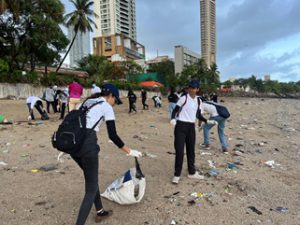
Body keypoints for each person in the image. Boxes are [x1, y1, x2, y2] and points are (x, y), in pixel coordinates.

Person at [69, 83, 142, 225]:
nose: (115, 104)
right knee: (90, 189)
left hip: (73, 145)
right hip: (87, 147)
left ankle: (100, 211)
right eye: (115, 100)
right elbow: (113, 135)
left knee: (92, 179)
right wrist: (130, 151)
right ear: (110, 96)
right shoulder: (106, 107)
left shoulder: (88, 101)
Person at [170, 80, 216, 184]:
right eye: (190, 87)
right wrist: (173, 118)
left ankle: (192, 172)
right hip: (181, 126)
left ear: (197, 89)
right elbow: (175, 110)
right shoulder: (183, 98)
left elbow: (198, 115)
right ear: (188, 88)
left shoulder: (198, 101)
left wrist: (207, 120)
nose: (191, 89)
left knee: (191, 151)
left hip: (191, 127)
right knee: (180, 151)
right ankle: (177, 175)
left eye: (194, 88)